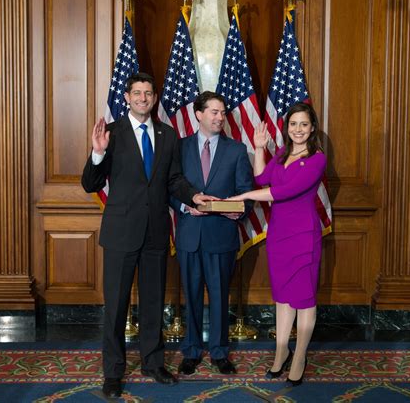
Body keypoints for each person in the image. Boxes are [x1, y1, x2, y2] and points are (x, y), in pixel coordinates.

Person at [81, 72, 214, 398]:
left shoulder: (168, 136)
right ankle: (113, 372)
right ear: (127, 97)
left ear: (154, 99)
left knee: (154, 301)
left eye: (148, 93)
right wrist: (97, 154)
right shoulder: (111, 134)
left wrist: (193, 196)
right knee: (115, 306)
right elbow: (90, 184)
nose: (142, 98)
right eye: (136, 93)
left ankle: (153, 363)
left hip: (155, 233)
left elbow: (174, 181)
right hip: (120, 235)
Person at [227, 102, 326, 387]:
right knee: (282, 297)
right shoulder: (282, 154)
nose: (298, 130)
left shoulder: (317, 158)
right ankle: (281, 352)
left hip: (303, 235)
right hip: (279, 235)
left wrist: (242, 196)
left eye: (304, 124)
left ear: (312, 128)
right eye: (293, 124)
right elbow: (262, 178)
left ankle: (300, 357)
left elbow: (283, 192)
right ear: (287, 127)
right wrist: (259, 148)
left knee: (303, 298)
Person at [170, 91, 253, 376]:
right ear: (199, 114)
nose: (220, 117)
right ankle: (192, 351)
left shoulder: (237, 150)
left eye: (222, 112)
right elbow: (170, 186)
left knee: (219, 296)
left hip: (221, 236)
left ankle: (219, 352)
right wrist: (183, 206)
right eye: (214, 112)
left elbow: (247, 191)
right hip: (190, 235)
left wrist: (239, 210)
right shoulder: (179, 148)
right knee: (191, 295)